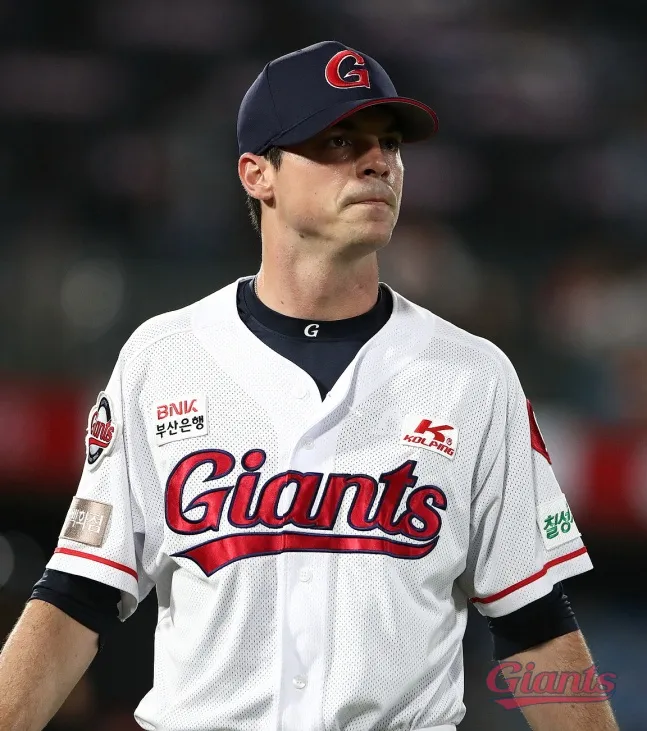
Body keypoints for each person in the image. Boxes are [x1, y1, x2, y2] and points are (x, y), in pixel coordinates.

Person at [0, 41, 618, 731]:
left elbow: (533, 622)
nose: (378, 161)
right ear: (257, 173)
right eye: (339, 141)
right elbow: (78, 594)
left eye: (389, 143)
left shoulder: (473, 376)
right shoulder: (163, 357)